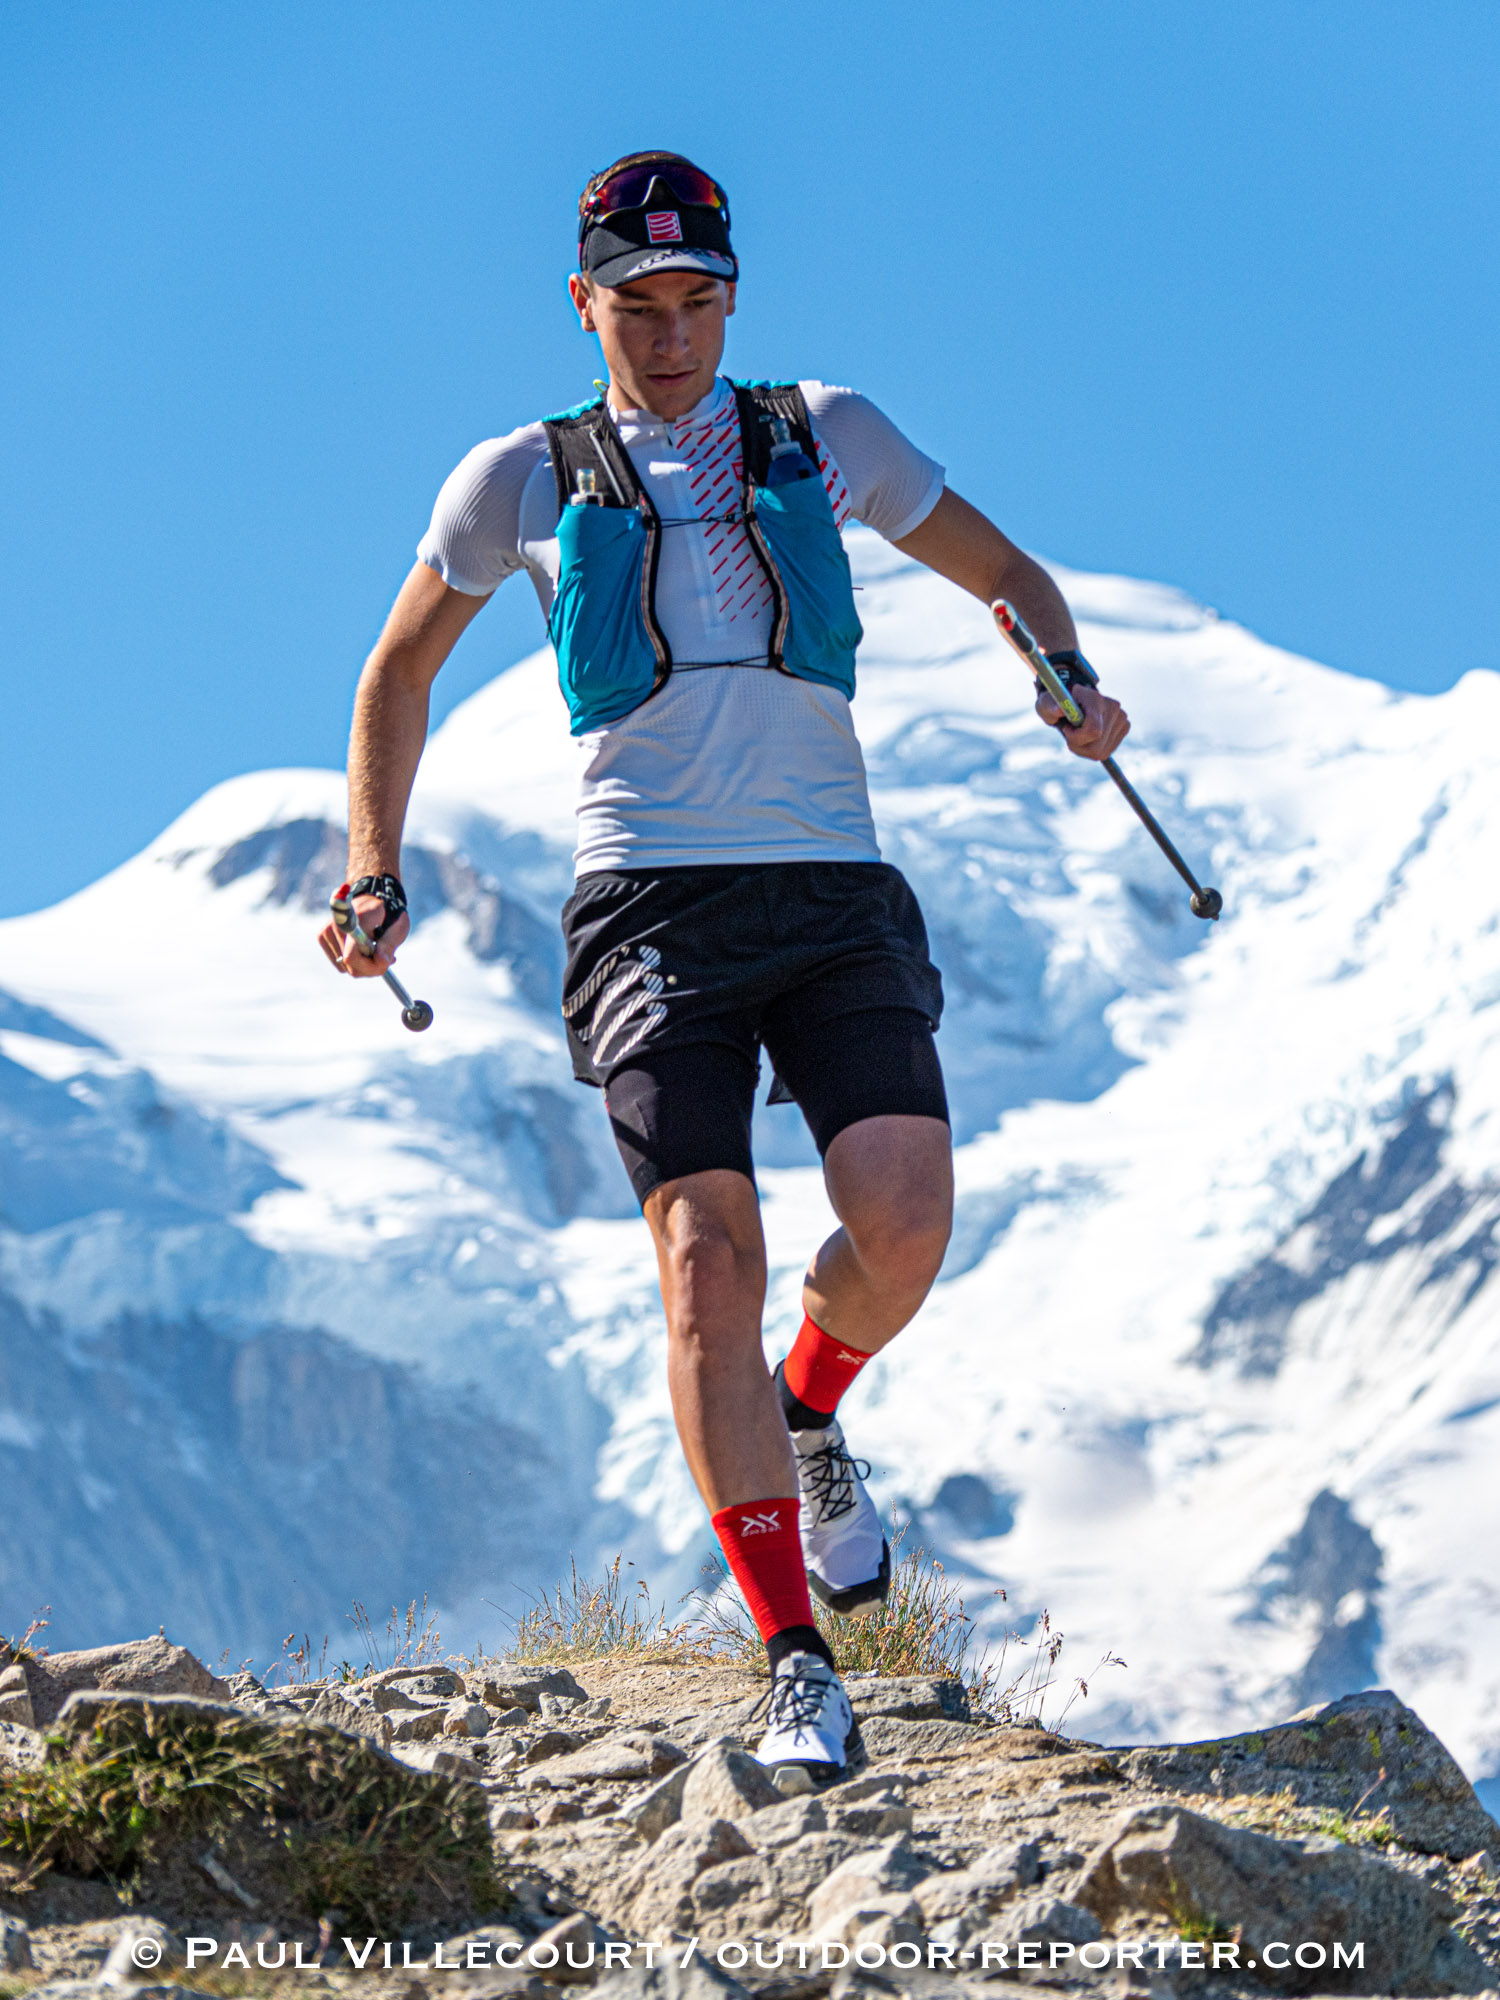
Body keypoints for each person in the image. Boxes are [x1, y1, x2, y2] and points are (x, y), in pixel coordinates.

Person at [318, 150, 1128, 1790]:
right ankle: (794, 1660)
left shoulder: (827, 435)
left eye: (698, 303)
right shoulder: (518, 479)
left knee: (904, 1221)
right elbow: (396, 669)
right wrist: (372, 867)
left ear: (733, 301)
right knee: (706, 1262)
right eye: (639, 307)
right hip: (648, 909)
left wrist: (1066, 672)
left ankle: (810, 1412)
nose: (672, 334)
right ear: (585, 306)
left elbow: (1010, 577)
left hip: (831, 889)